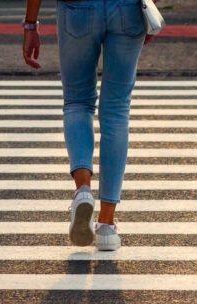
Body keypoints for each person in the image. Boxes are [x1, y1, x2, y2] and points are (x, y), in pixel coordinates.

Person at [21, 0, 151, 251]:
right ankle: (106, 224)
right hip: (128, 9)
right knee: (116, 111)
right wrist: (150, 9)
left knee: (77, 102)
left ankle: (83, 189)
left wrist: (30, 24)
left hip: (76, 9)